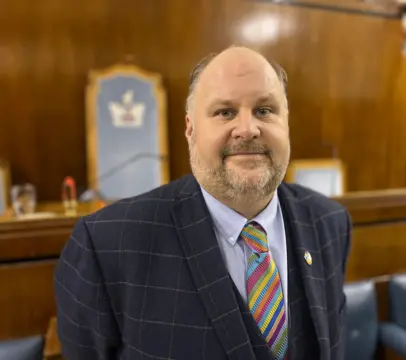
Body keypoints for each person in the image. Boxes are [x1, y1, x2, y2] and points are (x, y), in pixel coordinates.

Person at [54, 46, 352, 360]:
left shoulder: (329, 223)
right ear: (190, 129)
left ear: (286, 124)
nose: (248, 129)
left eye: (264, 110)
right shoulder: (107, 245)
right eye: (225, 112)